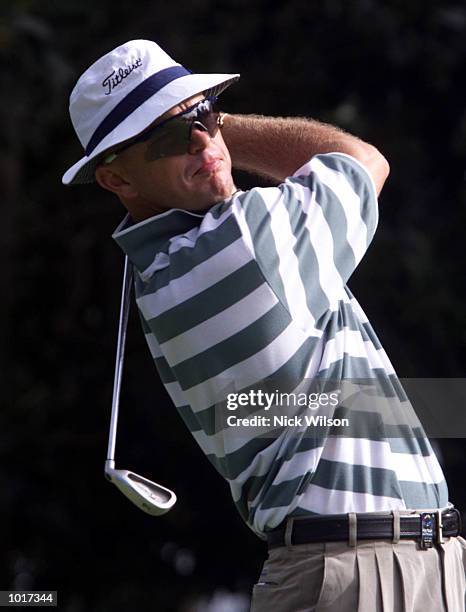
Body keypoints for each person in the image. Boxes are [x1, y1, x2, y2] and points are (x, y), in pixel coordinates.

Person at [62, 39, 465, 611]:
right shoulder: (240, 243)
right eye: (172, 138)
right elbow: (363, 159)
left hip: (384, 563)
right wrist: (223, 124)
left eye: (205, 116)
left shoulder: (162, 274)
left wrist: (189, 126)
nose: (204, 143)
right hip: (360, 573)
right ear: (116, 180)